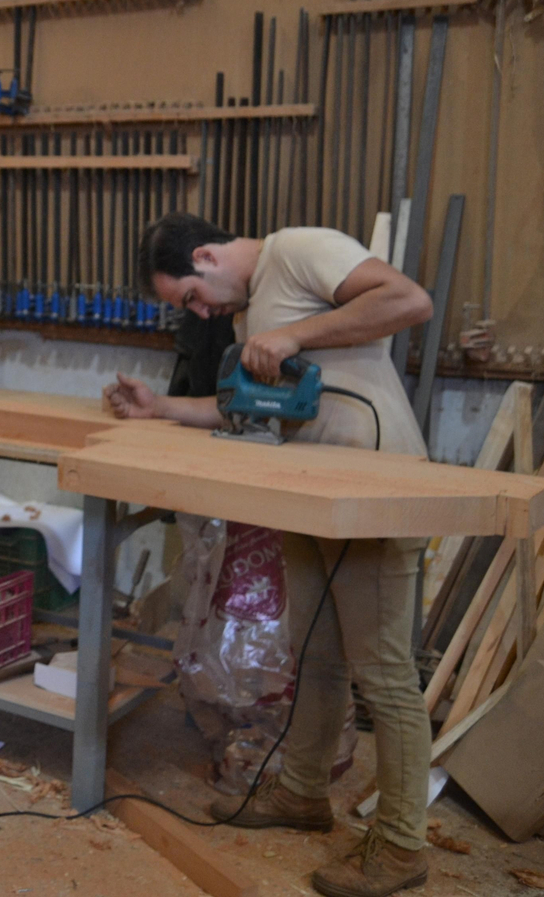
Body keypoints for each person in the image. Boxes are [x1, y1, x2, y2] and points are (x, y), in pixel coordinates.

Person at [105, 212, 433, 897]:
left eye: (193, 297)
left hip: (376, 488)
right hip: (309, 493)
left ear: (206, 255)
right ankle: (301, 796)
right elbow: (247, 411)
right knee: (315, 656)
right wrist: (157, 407)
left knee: (384, 674)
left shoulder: (299, 249)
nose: (201, 312)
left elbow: (409, 300)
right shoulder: (255, 309)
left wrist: (291, 335)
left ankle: (403, 845)